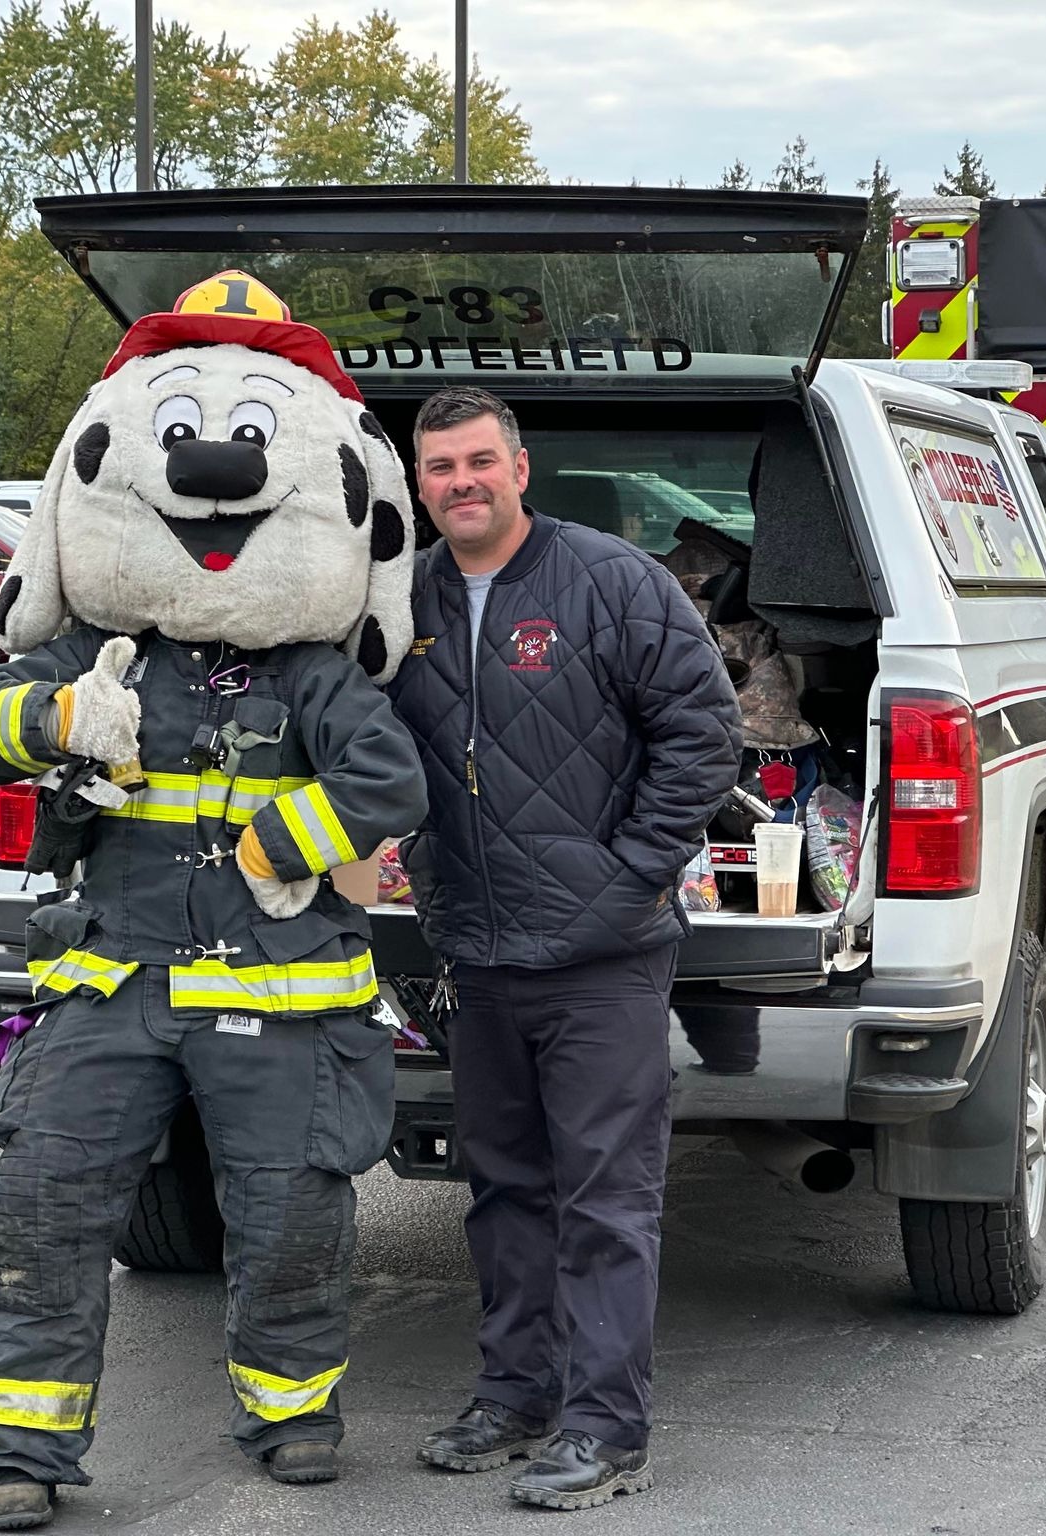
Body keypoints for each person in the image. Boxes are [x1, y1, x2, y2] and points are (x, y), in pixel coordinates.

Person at [0, 271, 426, 1530]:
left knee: (291, 1216)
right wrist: (52, 715)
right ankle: (21, 1453)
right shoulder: (100, 651)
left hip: (279, 1001)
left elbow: (389, 777)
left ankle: (294, 1412)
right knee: (45, 1204)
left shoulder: (315, 673)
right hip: (112, 983)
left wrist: (284, 838)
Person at [389, 386, 742, 1510]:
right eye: (441, 467)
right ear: (419, 482)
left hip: (603, 952)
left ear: (521, 467)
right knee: (502, 1190)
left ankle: (607, 1429)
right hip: (480, 950)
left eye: (480, 461)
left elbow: (704, 732)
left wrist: (627, 872)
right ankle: (516, 1394)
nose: (462, 483)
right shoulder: (408, 598)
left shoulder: (609, 580)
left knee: (605, 1199)